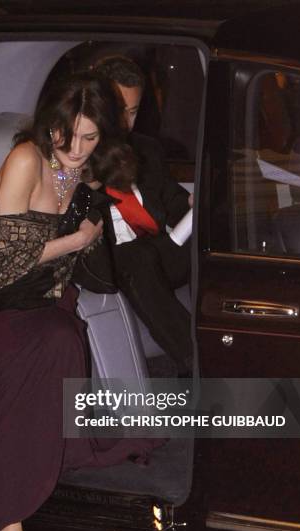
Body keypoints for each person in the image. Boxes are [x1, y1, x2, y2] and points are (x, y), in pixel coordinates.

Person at [0, 72, 164, 531]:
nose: (74, 150)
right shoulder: (26, 159)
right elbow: (0, 261)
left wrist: (104, 226)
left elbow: (120, 235)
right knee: (51, 346)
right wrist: (78, 237)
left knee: (62, 337)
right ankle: (10, 530)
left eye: (90, 138)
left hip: (50, 301)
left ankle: (29, 483)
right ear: (49, 126)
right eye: (65, 135)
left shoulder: (90, 173)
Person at [93, 55, 193, 375]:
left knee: (214, 242)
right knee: (135, 258)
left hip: (156, 251)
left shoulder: (146, 148)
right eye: (118, 110)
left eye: (133, 111)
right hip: (110, 259)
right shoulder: (76, 148)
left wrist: (193, 206)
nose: (126, 122)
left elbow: (172, 198)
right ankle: (194, 359)